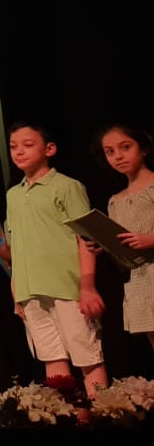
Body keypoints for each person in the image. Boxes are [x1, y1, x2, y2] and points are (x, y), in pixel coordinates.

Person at [4, 121, 107, 395]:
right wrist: (16, 290)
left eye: (28, 145)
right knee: (52, 359)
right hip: (30, 291)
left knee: (87, 357)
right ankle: (69, 414)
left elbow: (85, 238)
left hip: (66, 286)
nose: (19, 152)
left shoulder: (66, 186)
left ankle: (105, 412)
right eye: (13, 147)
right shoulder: (13, 195)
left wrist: (87, 286)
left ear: (49, 149)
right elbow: (16, 246)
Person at [100, 123, 154, 350]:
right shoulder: (115, 201)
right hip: (141, 280)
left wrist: (151, 240)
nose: (118, 156)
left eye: (125, 147)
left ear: (143, 148)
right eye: (110, 152)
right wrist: (104, 246)